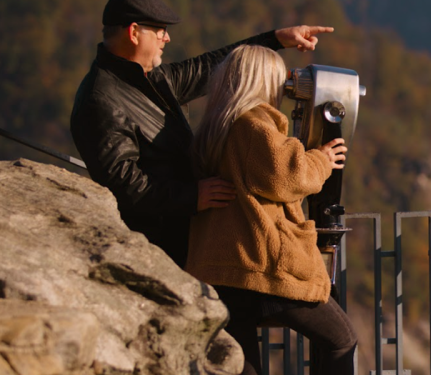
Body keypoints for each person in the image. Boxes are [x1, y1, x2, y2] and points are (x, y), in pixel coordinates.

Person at [70, 0, 335, 267]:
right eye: (160, 30)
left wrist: (276, 39)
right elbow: (123, 184)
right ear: (134, 32)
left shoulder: (154, 78)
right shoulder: (100, 99)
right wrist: (192, 196)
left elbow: (211, 66)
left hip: (187, 237)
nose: (167, 37)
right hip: (160, 249)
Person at [186, 45, 355, 375]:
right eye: (280, 81)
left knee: (243, 363)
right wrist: (322, 158)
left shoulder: (216, 127)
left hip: (222, 266)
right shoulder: (254, 127)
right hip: (261, 264)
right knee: (341, 339)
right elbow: (285, 175)